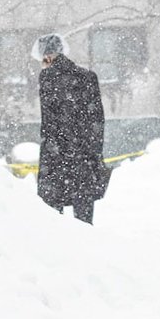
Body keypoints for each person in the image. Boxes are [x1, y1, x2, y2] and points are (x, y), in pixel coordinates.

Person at [34, 33, 108, 224]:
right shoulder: (88, 77)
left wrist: (53, 154)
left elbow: (49, 123)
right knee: (84, 219)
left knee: (53, 221)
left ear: (47, 56)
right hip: (85, 160)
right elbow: (97, 121)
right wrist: (93, 155)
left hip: (57, 159)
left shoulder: (48, 78)